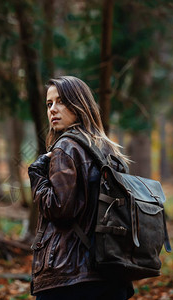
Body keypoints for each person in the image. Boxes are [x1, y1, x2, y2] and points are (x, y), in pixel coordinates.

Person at [28, 76, 134, 300]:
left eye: (61, 101)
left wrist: (36, 174)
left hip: (70, 279)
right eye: (49, 104)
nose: (53, 110)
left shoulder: (66, 147)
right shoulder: (108, 150)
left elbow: (59, 210)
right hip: (113, 273)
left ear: (79, 104)